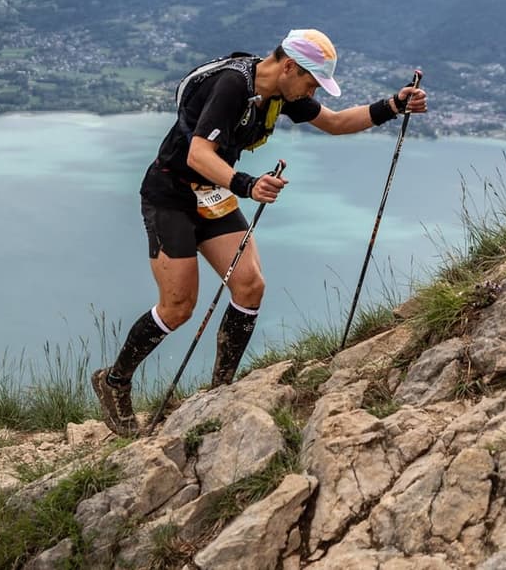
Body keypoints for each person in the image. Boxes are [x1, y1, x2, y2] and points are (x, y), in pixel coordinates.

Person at [91, 28, 427, 436]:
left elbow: (336, 123)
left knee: (249, 286)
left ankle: (220, 392)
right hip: (171, 197)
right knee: (179, 306)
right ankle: (114, 381)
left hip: (214, 194)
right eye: (310, 81)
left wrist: (393, 105)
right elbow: (199, 154)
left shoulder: (281, 94)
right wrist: (248, 185)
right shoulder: (233, 86)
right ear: (289, 66)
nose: (311, 91)